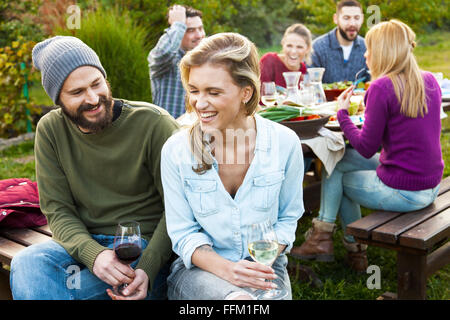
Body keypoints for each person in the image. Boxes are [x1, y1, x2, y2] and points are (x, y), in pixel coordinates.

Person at [10, 36, 180, 300]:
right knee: (27, 265)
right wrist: (95, 254)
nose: (92, 98)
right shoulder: (51, 130)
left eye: (96, 84)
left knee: (67, 292)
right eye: (77, 93)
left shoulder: (154, 124)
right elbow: (57, 210)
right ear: (58, 99)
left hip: (144, 250)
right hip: (84, 245)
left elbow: (179, 208)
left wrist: (148, 266)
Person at [290, 20, 444, 272]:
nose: (365, 53)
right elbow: (404, 129)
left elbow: (365, 147)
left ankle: (349, 247)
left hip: (404, 190)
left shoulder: (382, 87)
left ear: (383, 52)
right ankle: (327, 239)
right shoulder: (428, 80)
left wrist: (342, 114)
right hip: (429, 184)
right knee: (336, 160)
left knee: (339, 177)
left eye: (370, 48)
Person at [160, 32, 304, 300]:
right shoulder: (176, 150)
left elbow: (288, 218)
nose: (199, 104)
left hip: (266, 267)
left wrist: (261, 264)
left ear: (245, 92)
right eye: (194, 90)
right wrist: (230, 273)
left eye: (213, 92)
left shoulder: (285, 143)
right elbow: (183, 233)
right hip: (200, 273)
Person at [148, 4, 205, 119]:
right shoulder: (167, 62)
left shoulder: (208, 62)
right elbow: (163, 53)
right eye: (190, 30)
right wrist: (178, 24)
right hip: (170, 132)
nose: (199, 35)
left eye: (200, 28)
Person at [309, 0, 369, 84]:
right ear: (336, 19)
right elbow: (310, 85)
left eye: (356, 18)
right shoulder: (317, 48)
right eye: (346, 18)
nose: (352, 23)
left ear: (362, 19)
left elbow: (373, 83)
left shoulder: (368, 48)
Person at [260, 23, 312, 88]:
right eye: (289, 46)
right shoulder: (269, 61)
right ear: (283, 44)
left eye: (299, 47)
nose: (293, 51)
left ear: (307, 48)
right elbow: (260, 94)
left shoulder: (303, 69)